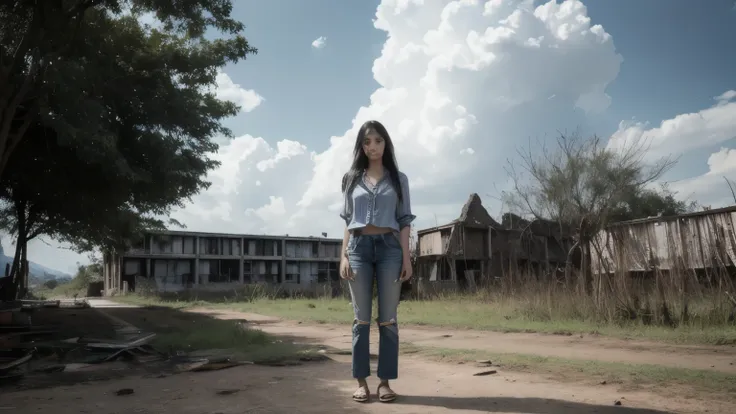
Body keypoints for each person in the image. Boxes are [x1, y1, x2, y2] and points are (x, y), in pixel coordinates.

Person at [339, 120, 416, 403]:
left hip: (390, 250)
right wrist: (343, 256)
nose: (373, 146)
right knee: (360, 319)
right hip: (358, 248)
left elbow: (405, 220)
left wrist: (407, 257)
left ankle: (384, 382)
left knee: (388, 319)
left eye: (378, 141)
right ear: (361, 145)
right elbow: (347, 220)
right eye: (367, 141)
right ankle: (361, 382)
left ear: (386, 144)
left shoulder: (399, 179)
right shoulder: (350, 179)